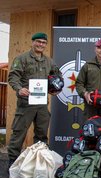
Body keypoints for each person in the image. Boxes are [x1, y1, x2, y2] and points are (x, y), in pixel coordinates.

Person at [7, 32, 62, 169]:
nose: (41, 45)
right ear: (32, 42)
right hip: (26, 103)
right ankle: (12, 163)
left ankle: (40, 163)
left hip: (42, 104)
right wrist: (19, 89)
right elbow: (13, 76)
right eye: (38, 42)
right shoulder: (22, 59)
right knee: (19, 133)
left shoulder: (49, 61)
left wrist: (55, 88)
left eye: (43, 43)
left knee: (42, 135)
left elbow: (57, 75)